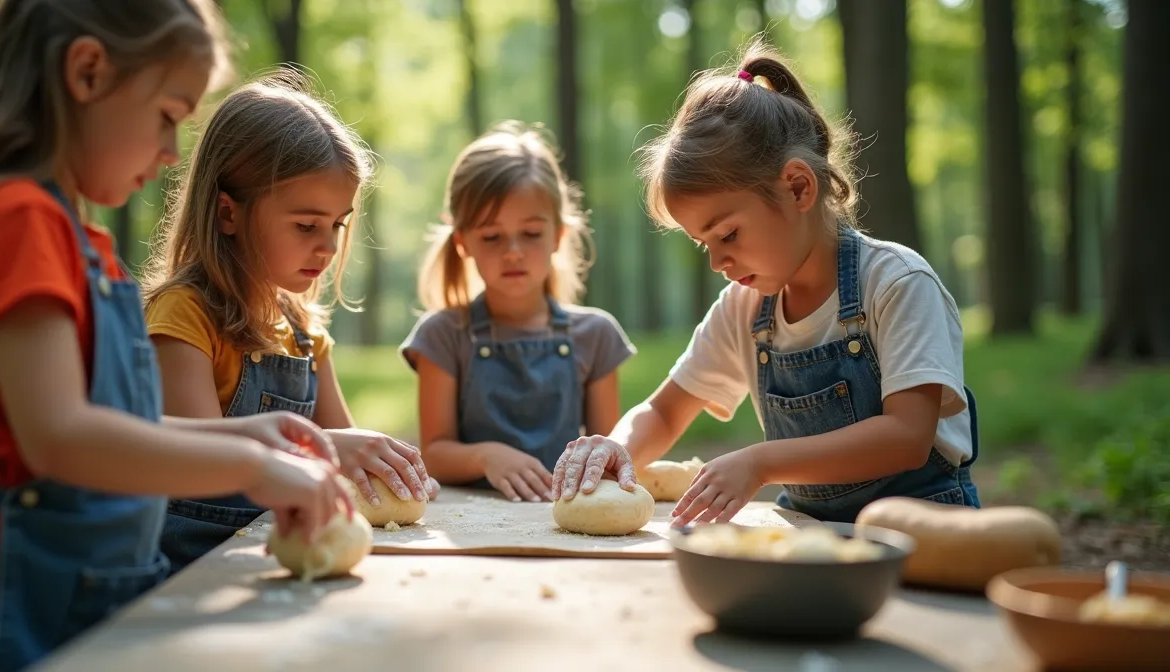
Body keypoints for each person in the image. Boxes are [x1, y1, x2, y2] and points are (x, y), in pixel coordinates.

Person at [0, 3, 351, 670]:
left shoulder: (70, 236)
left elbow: (113, 425)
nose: (173, 151)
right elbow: (60, 436)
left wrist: (244, 434)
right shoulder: (19, 220)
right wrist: (250, 466)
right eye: (167, 116)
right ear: (87, 72)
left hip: (58, 590)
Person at [550, 41, 980, 526]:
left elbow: (906, 436)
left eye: (728, 234)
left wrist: (761, 462)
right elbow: (666, 412)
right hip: (811, 531)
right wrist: (617, 447)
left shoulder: (896, 283)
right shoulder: (744, 307)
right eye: (702, 243)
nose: (716, 260)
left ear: (798, 187)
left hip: (927, 535)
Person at [142, 70, 435, 574]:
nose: (327, 246)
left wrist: (381, 469)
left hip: (285, 568)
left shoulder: (304, 333)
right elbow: (195, 462)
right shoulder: (184, 317)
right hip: (191, 577)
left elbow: (345, 452)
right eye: (306, 225)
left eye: (337, 225)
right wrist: (325, 452)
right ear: (228, 213)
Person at [400, 121, 636, 503]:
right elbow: (435, 452)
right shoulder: (442, 335)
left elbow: (605, 454)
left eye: (530, 233)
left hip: (564, 519)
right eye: (492, 236)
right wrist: (487, 456)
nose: (513, 251)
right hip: (467, 522)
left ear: (558, 234)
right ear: (463, 243)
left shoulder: (597, 335)